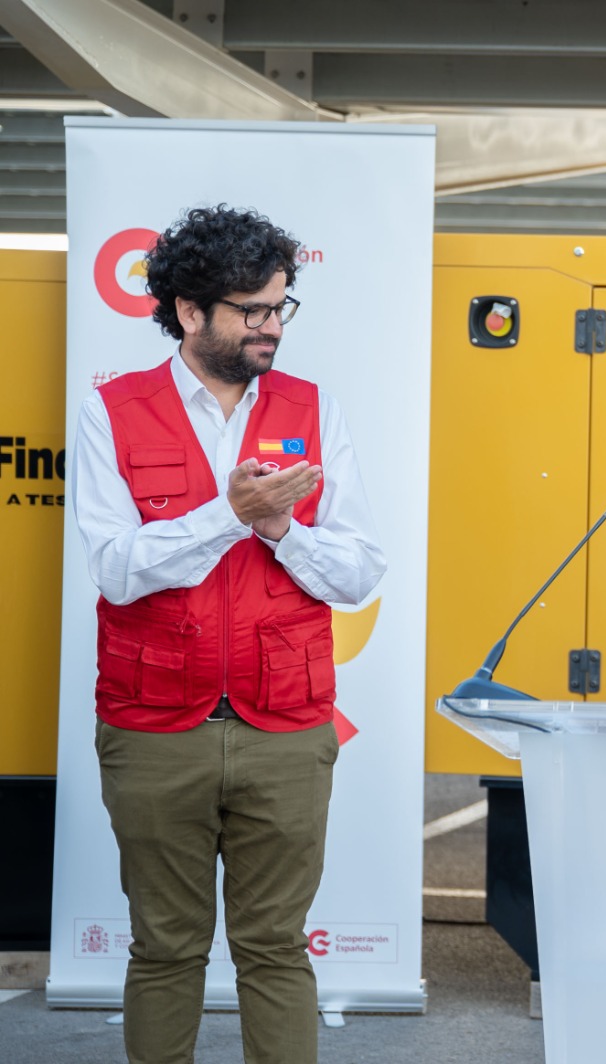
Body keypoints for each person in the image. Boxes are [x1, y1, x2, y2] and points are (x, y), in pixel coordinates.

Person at [72, 204, 386, 1064]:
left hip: (285, 727)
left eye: (281, 306)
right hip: (150, 728)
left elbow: (360, 573)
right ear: (186, 311)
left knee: (276, 949)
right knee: (166, 949)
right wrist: (231, 515)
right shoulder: (112, 412)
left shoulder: (314, 412)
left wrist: (282, 531)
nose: (271, 327)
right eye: (252, 310)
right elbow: (115, 567)